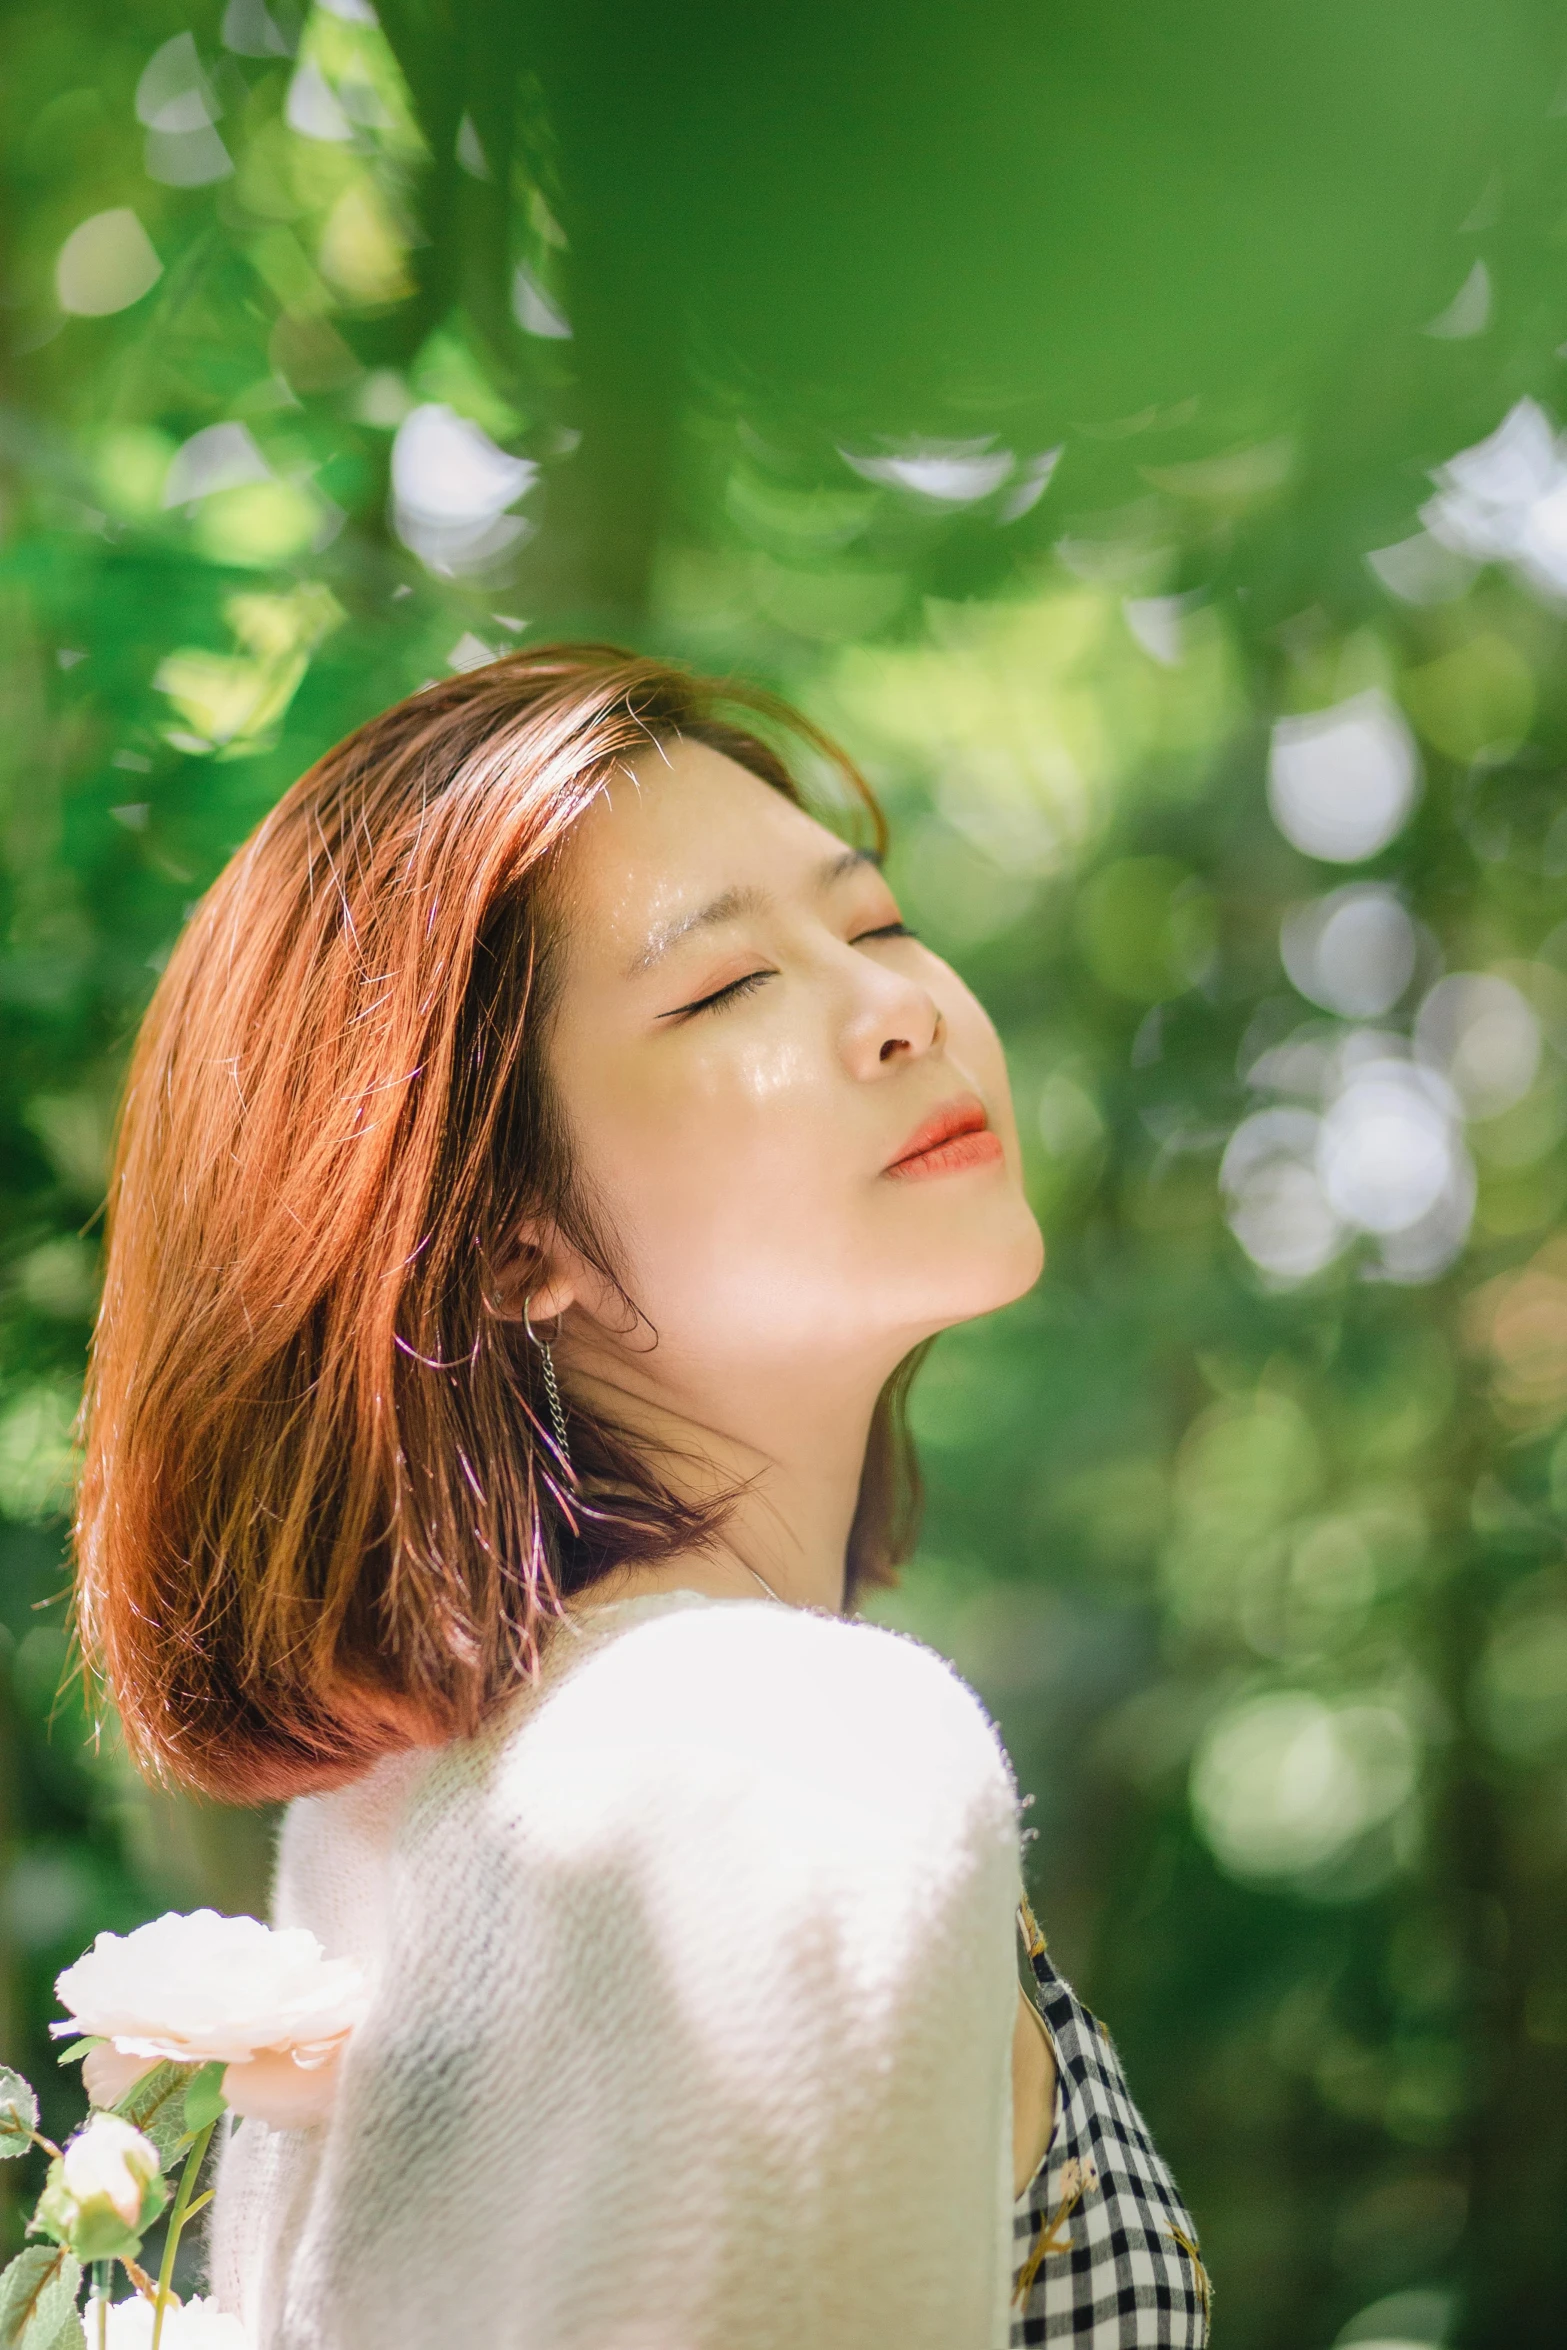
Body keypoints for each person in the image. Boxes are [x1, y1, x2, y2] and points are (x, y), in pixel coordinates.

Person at [74, 646, 1209, 2348]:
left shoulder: (410, 1804)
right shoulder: (779, 1757)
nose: (897, 1004)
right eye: (724, 986)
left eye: (878, 921)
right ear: (509, 1234)